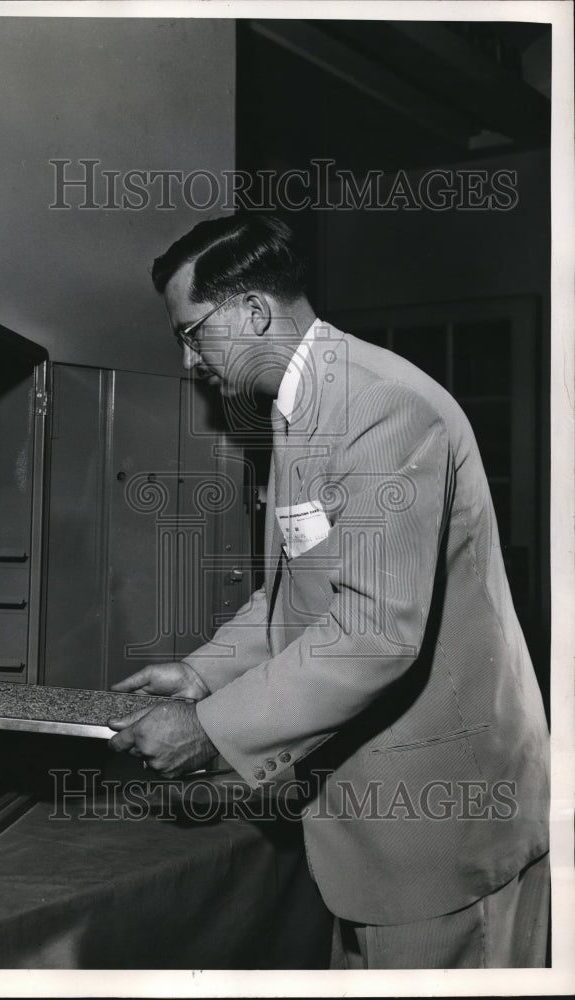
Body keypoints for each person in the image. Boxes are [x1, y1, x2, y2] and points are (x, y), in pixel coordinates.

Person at [107, 212, 550, 969]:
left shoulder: (380, 406)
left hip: (443, 834)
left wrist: (210, 728)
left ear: (252, 310)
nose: (189, 363)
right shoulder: (306, 405)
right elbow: (302, 588)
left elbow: (374, 633)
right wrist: (203, 672)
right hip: (374, 835)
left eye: (190, 333)